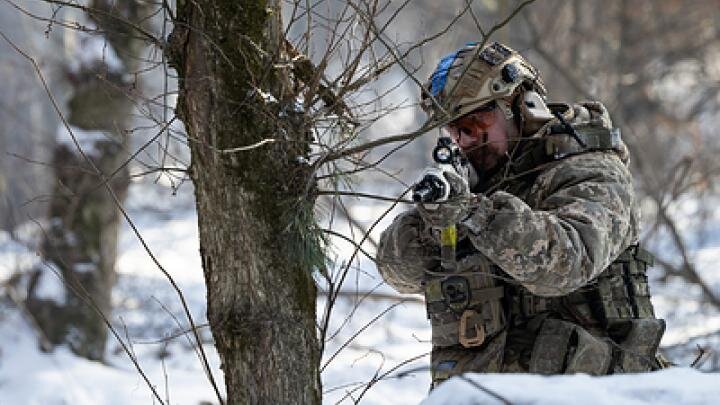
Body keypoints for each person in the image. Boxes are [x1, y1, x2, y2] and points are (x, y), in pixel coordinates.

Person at [376, 42, 666, 387]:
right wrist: (430, 222)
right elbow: (399, 274)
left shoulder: (590, 170)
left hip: (591, 392)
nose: (465, 139)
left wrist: (475, 214)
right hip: (485, 392)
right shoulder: (473, 183)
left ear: (523, 106)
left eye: (475, 121)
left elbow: (567, 262)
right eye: (454, 129)